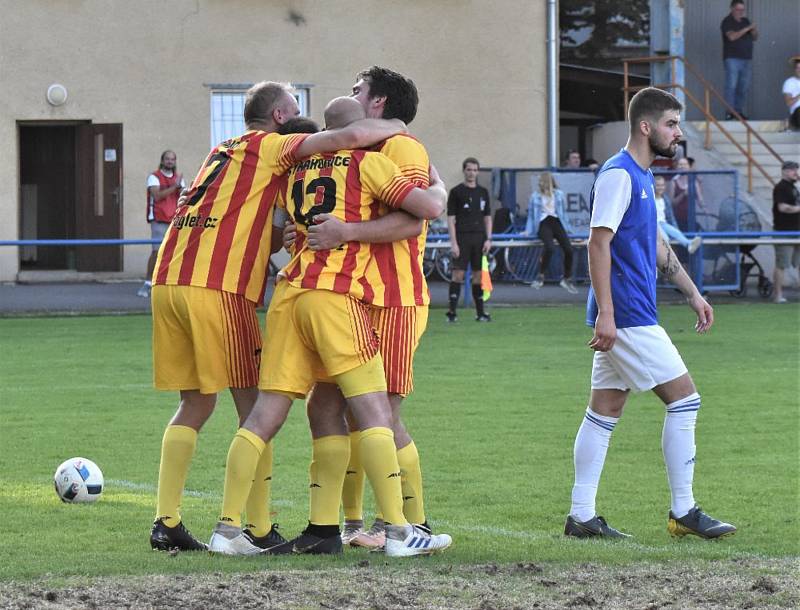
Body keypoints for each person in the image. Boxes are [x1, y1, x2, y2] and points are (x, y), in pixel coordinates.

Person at [148, 81, 408, 553]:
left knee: (196, 403)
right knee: (257, 412)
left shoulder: (220, 151)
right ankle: (254, 527)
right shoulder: (272, 147)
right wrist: (394, 125)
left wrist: (286, 232)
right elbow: (344, 139)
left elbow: (253, 231)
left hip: (168, 279)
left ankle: (166, 521)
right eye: (294, 108)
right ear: (282, 117)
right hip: (217, 286)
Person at [206, 96, 453, 558]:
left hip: (288, 295)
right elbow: (425, 210)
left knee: (264, 414)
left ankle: (226, 528)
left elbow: (285, 227)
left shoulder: (296, 172)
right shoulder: (367, 164)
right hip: (335, 297)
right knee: (376, 411)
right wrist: (440, 185)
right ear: (362, 127)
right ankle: (401, 533)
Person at [279, 66, 440, 552]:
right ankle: (346, 525)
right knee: (328, 405)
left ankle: (415, 524)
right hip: (349, 297)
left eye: (357, 90)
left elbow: (415, 220)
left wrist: (346, 232)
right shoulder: (353, 154)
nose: (349, 95)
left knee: (380, 413)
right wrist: (300, 236)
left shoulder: (402, 148)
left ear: (379, 104)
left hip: (394, 296)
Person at [564, 87, 736, 540]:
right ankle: (684, 510)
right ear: (646, 126)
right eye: (671, 124)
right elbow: (596, 243)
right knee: (685, 400)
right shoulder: (619, 175)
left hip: (626, 314)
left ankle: (581, 516)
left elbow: (657, 247)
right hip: (628, 317)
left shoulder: (641, 177)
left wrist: (693, 294)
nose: (677, 133)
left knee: (603, 412)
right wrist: (607, 313)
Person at [446, 157, 493, 322]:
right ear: (464, 171)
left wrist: (489, 239)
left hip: (479, 238)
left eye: (474, 170)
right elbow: (451, 219)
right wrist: (454, 243)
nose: (472, 173)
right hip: (462, 238)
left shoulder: (483, 192)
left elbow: (487, 217)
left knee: (478, 275)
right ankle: (452, 313)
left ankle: (480, 313)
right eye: (469, 170)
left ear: (478, 172)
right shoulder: (456, 192)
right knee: (457, 274)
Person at [139, 151, 185, 298]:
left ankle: (166, 285)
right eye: (167, 159)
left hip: (174, 220)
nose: (170, 162)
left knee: (174, 254)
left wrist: (184, 190)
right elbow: (157, 196)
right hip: (159, 220)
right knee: (156, 252)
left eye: (172, 159)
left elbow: (183, 196)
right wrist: (175, 187)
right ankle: (147, 284)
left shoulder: (179, 178)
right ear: (162, 161)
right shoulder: (154, 177)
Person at [525, 172, 577, 293]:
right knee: (550, 247)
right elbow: (532, 216)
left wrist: (569, 230)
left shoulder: (558, 194)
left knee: (568, 249)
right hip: (543, 222)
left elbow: (563, 214)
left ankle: (566, 278)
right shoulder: (535, 196)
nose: (542, 184)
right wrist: (528, 230)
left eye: (544, 181)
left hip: (556, 221)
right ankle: (541, 275)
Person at [720, 1, 757, 120]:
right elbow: (732, 37)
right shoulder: (727, 21)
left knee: (743, 87)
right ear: (732, 9)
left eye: (742, 10)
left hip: (747, 58)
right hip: (732, 58)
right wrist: (747, 28)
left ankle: (738, 111)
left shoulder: (746, 21)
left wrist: (754, 29)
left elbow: (755, 37)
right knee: (731, 86)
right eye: (738, 9)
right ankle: (729, 112)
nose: (740, 12)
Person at [772, 160, 800, 304]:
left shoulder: (793, 187)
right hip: (783, 231)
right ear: (783, 171)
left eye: (796, 169)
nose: (795, 172)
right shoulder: (781, 187)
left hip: (796, 231)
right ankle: (778, 295)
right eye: (792, 170)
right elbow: (782, 208)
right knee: (781, 264)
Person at [654, 175, 702, 254]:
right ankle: (663, 259)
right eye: (658, 185)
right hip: (654, 224)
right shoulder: (650, 198)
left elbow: (670, 217)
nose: (660, 187)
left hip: (663, 223)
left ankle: (688, 244)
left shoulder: (665, 199)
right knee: (665, 239)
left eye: (662, 185)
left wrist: (675, 228)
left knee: (676, 232)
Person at [668, 157, 703, 231]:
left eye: (684, 164)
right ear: (677, 167)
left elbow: (700, 202)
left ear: (689, 167)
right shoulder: (673, 181)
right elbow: (672, 203)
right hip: (677, 218)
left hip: (691, 218)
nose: (682, 166)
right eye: (680, 164)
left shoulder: (694, 181)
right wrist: (683, 194)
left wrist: (704, 207)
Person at [782, 58, 800, 131]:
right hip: (797, 113)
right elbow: (788, 103)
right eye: (798, 68)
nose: (799, 70)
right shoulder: (789, 82)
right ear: (795, 69)